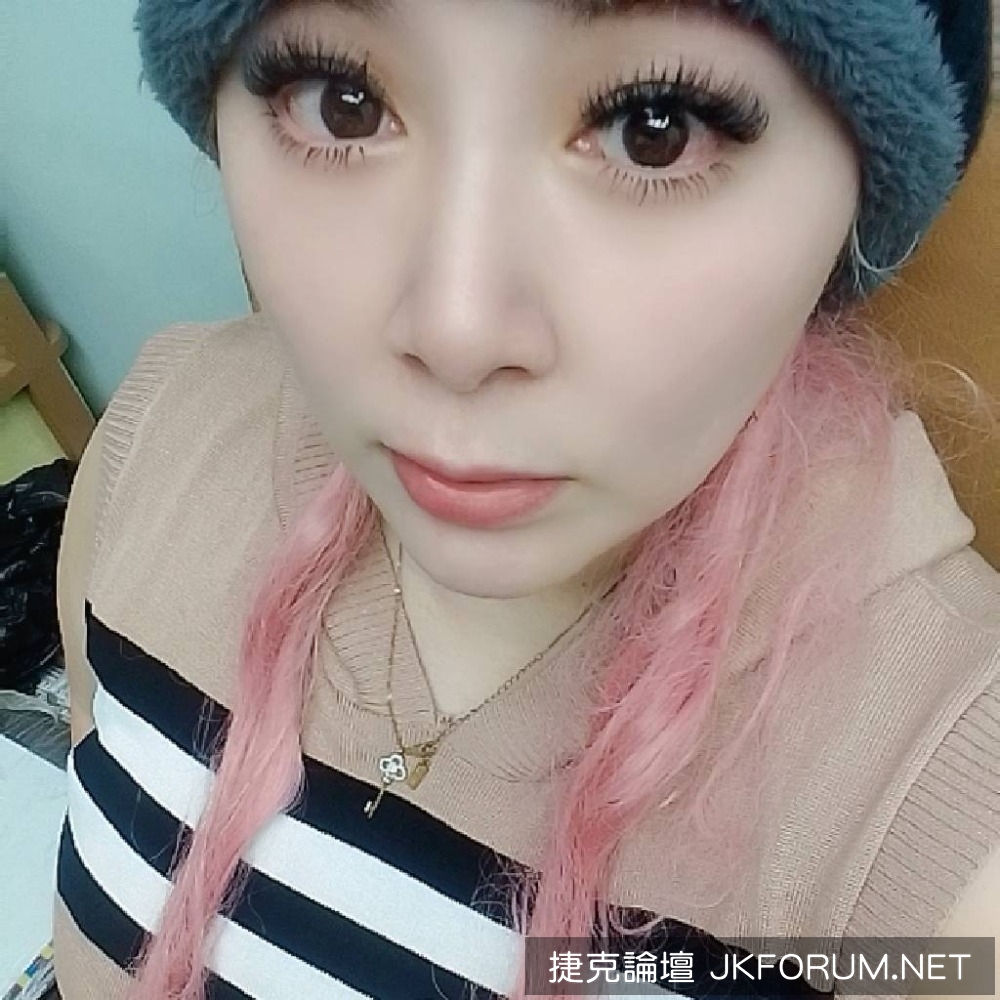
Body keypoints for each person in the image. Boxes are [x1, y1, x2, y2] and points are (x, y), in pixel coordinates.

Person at [52, 0, 998, 998]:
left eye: (655, 127)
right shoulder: (162, 431)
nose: (456, 332)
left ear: (859, 196)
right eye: (340, 103)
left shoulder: (953, 837)